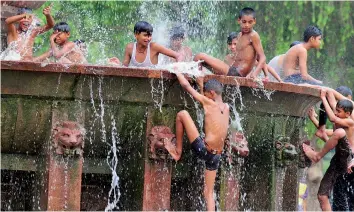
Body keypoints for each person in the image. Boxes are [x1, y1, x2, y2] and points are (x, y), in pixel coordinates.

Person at [163, 72, 229, 211]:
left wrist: (177, 70)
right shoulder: (226, 107)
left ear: (211, 93)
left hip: (204, 150)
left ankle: (178, 152)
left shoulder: (208, 103)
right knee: (208, 193)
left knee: (182, 114)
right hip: (216, 156)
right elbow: (206, 109)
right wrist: (200, 84)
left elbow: (186, 86)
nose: (204, 97)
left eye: (205, 94)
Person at [303, 89, 354, 211]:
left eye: (338, 111)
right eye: (335, 110)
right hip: (338, 160)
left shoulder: (350, 121)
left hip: (349, 157)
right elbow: (325, 134)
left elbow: (332, 118)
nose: (336, 113)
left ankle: (317, 156)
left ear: (347, 113)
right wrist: (314, 118)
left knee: (339, 132)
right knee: (322, 195)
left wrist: (323, 98)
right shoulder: (340, 120)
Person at [193, 7, 266, 78]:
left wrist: (255, 73)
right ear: (239, 20)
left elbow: (262, 57)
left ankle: (197, 79)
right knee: (201, 62)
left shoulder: (253, 35)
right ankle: (198, 80)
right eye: (244, 22)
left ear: (254, 21)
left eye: (250, 22)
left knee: (199, 56)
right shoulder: (239, 35)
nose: (247, 25)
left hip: (236, 73)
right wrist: (266, 76)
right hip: (231, 70)